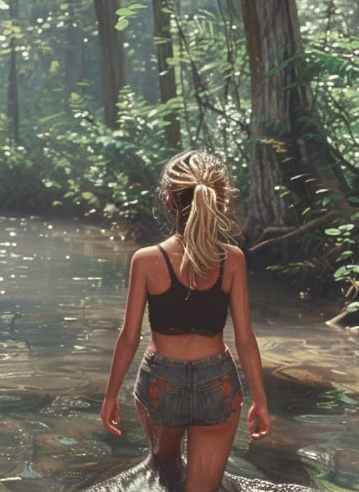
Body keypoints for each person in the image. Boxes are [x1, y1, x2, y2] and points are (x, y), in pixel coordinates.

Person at [100, 149, 272, 491]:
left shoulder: (146, 260)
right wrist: (261, 402)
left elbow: (129, 338)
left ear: (168, 198)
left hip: (161, 384)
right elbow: (244, 339)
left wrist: (110, 396)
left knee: (164, 470)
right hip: (217, 383)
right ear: (220, 201)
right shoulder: (232, 260)